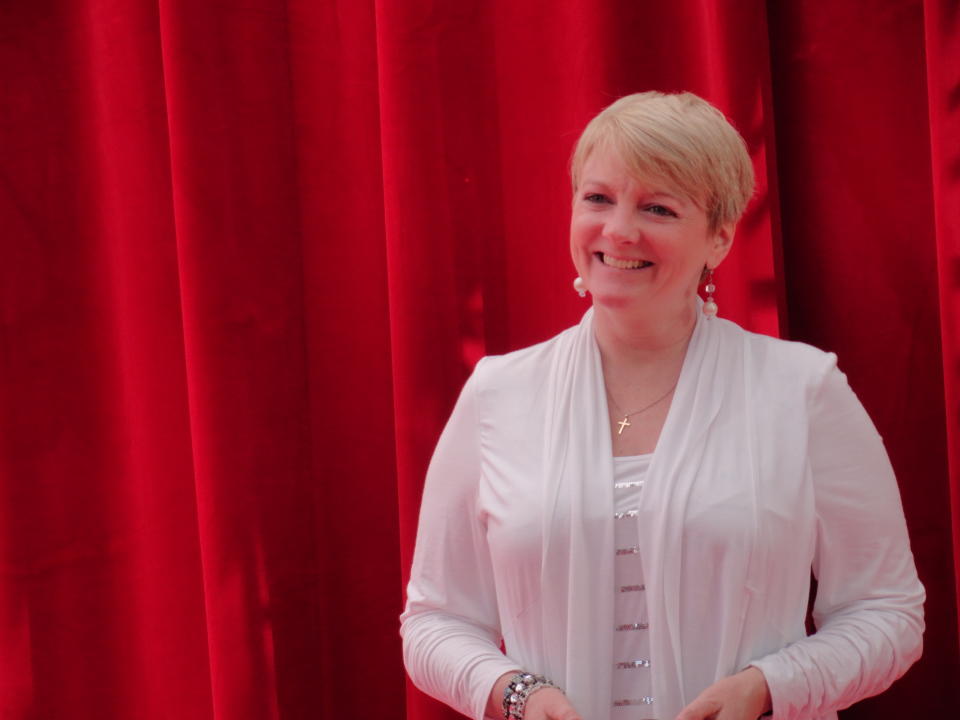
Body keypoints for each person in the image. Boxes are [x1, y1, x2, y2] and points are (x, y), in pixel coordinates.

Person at [399, 91, 924, 720]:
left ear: (720, 238)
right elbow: (434, 621)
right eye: (597, 198)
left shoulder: (803, 391)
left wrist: (769, 687)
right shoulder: (497, 394)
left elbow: (888, 612)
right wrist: (515, 694)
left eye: (658, 207)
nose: (618, 230)